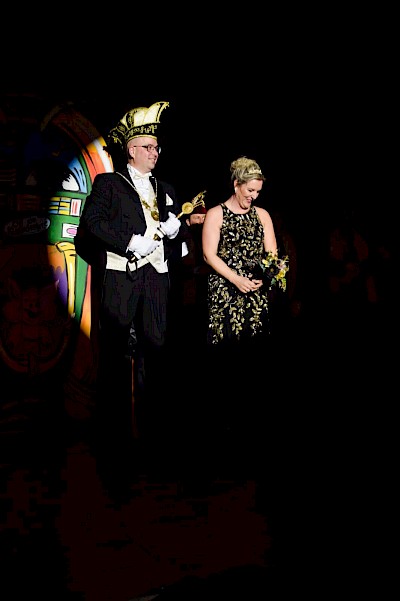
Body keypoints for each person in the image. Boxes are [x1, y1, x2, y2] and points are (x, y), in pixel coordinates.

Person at [75, 101, 188, 484]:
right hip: (122, 282)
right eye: (149, 147)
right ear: (132, 150)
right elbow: (92, 224)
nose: (156, 152)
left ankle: (155, 442)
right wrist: (129, 241)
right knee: (115, 362)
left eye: (157, 147)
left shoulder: (166, 188)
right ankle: (114, 445)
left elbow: (177, 233)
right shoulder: (109, 184)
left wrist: (176, 234)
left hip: (156, 283)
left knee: (156, 358)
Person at [201, 156, 287, 466]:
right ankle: (223, 434)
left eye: (258, 192)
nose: (253, 196)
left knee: (254, 362)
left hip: (254, 295)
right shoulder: (216, 214)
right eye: (250, 190)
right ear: (236, 184)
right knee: (225, 363)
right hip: (225, 294)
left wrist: (271, 273)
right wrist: (236, 279)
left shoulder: (262, 215)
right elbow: (209, 255)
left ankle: (252, 434)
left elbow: (272, 253)